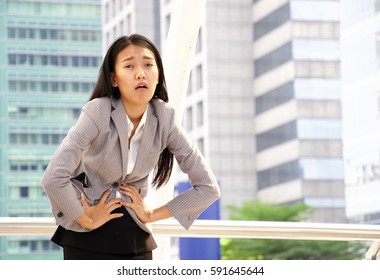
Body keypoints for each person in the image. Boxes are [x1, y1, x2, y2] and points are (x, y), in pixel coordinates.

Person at [40, 34, 221, 260]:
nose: (140, 73)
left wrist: (151, 214)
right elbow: (53, 177)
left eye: (148, 64)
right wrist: (85, 218)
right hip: (85, 236)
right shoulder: (98, 112)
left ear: (157, 76)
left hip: (135, 237)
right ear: (114, 79)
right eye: (129, 66)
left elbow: (208, 187)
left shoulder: (165, 117)